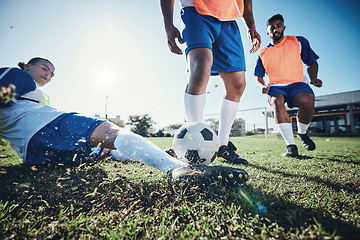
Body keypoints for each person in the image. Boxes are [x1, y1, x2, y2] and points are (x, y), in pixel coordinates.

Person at [0, 57, 248, 185]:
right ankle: (177, 169)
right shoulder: (18, 74)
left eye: (52, 73)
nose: (48, 74)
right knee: (111, 132)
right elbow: (3, 95)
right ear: (27, 65)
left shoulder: (30, 91)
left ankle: (145, 153)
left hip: (30, 152)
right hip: (43, 125)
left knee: (101, 151)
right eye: (44, 68)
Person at [160, 0, 261, 165]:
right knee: (201, 66)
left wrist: (250, 26)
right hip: (196, 11)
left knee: (237, 84)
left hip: (228, 19)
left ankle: (222, 144)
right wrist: (168, 25)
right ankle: (191, 142)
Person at [254, 14, 322, 157]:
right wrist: (262, 87)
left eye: (278, 26)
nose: (275, 29)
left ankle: (302, 133)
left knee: (308, 99)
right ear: (268, 32)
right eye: (272, 27)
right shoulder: (263, 53)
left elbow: (311, 62)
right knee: (276, 101)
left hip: (297, 83)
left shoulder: (298, 41)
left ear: (283, 27)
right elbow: (258, 76)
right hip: (276, 86)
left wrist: (314, 78)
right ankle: (291, 146)